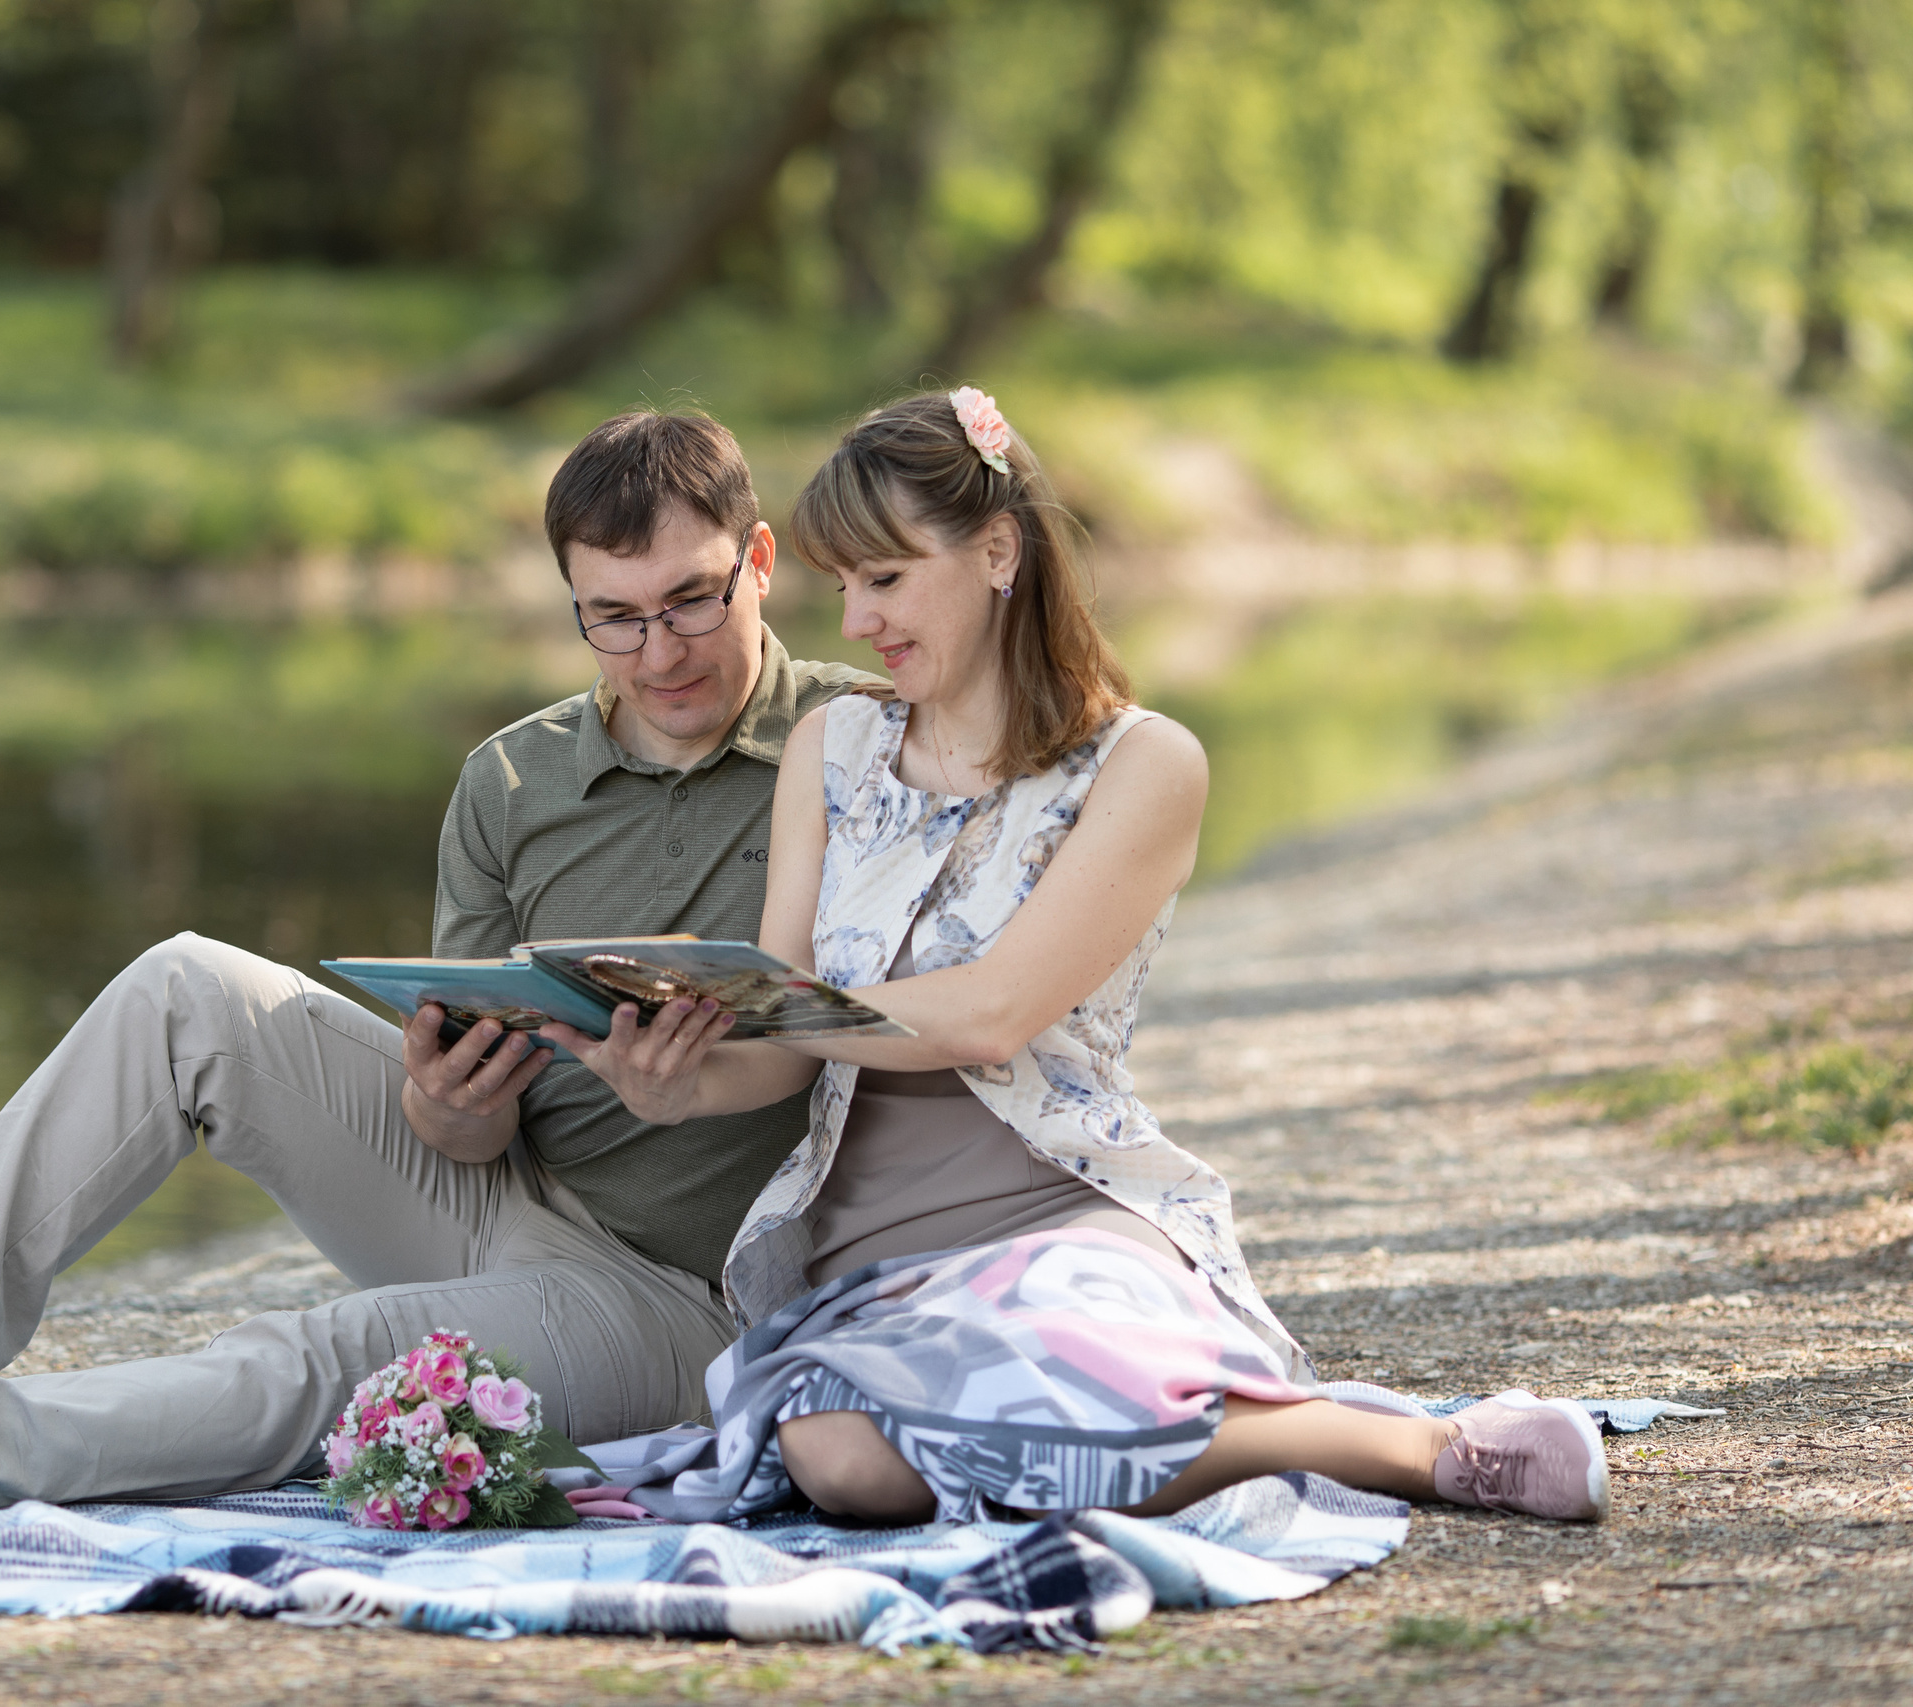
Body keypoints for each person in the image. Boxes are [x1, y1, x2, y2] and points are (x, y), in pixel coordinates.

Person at [0, 409, 879, 1508]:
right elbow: (466, 1137)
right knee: (187, 986)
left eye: (691, 603)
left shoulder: (862, 748)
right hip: (502, 1206)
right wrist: (444, 1107)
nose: (658, 654)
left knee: (334, 1352)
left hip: (682, 1302)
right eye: (613, 618)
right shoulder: (513, 777)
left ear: (759, 563)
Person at [547, 389, 1610, 1527]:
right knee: (843, 1463)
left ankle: (1413, 1448)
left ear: (997, 549)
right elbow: (777, 1060)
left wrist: (768, 1009)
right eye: (844, 584)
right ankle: (1278, 1432)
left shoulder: (1144, 766)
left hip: (1060, 1212)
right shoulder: (833, 748)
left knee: (1060, 1361)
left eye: (886, 579)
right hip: (870, 1248)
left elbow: (992, 1015)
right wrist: (677, 1075)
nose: (855, 622)